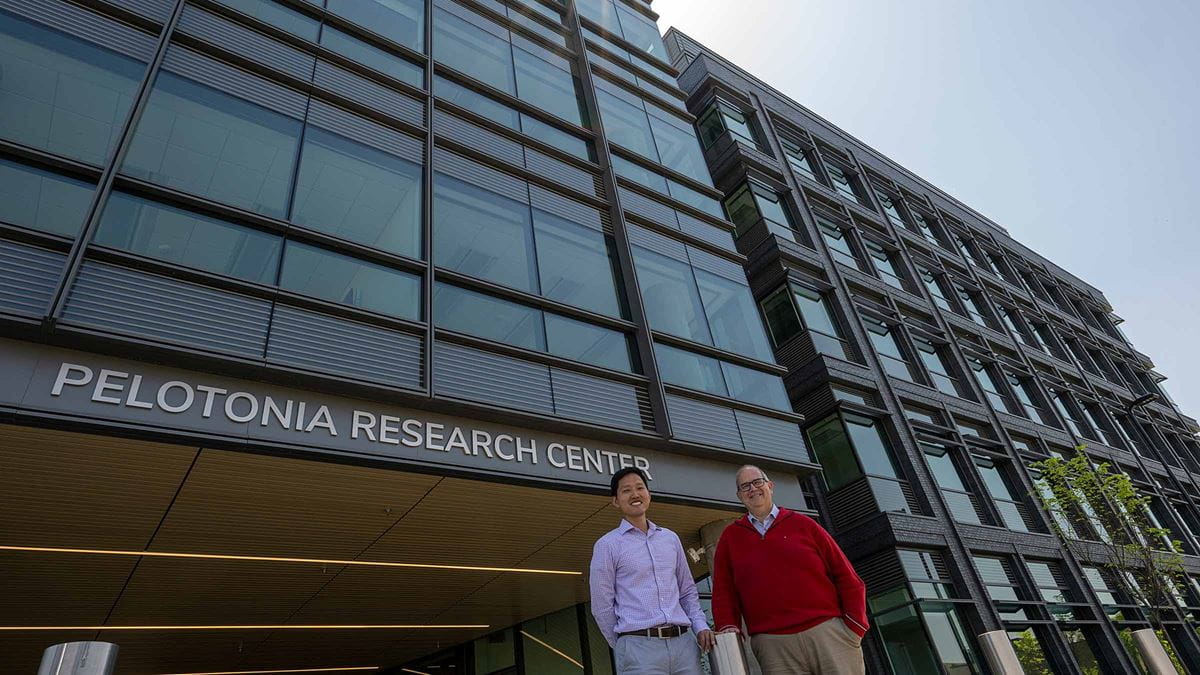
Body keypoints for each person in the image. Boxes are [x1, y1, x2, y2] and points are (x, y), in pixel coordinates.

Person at [712, 465, 868, 674]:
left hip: (828, 634)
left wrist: (854, 626)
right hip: (773, 646)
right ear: (739, 495)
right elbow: (724, 592)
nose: (753, 489)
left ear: (770, 486)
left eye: (758, 482)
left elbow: (845, 575)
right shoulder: (730, 539)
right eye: (745, 486)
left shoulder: (804, 525)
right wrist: (727, 627)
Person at [590, 467, 716, 674]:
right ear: (615, 501)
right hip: (638, 648)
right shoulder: (607, 545)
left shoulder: (670, 538)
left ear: (649, 494)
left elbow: (687, 590)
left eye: (640, 488)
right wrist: (623, 644)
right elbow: (602, 605)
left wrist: (700, 625)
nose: (635, 494)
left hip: (684, 645)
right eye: (626, 490)